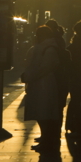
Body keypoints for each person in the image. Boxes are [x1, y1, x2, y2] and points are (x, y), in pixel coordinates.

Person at [21, 25, 64, 154]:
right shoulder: (45, 48)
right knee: (42, 114)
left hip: (44, 85)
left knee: (44, 114)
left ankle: (47, 141)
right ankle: (45, 139)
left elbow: (44, 68)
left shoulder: (48, 49)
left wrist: (29, 76)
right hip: (39, 85)